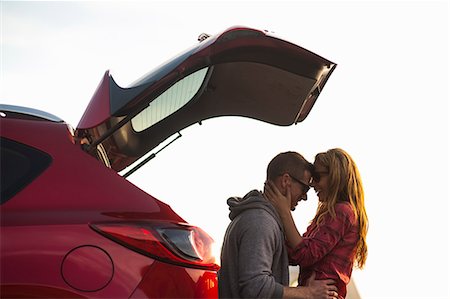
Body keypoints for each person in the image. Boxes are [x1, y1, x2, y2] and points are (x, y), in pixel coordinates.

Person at [218, 151, 339, 299]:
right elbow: (255, 288)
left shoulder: (261, 219)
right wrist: (309, 293)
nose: (305, 197)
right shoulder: (260, 222)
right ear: (286, 181)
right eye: (304, 188)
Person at [264, 148, 369, 299]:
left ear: (335, 177)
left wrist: (284, 212)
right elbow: (296, 254)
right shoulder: (329, 215)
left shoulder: (342, 212)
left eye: (318, 177)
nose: (312, 185)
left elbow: (307, 254)